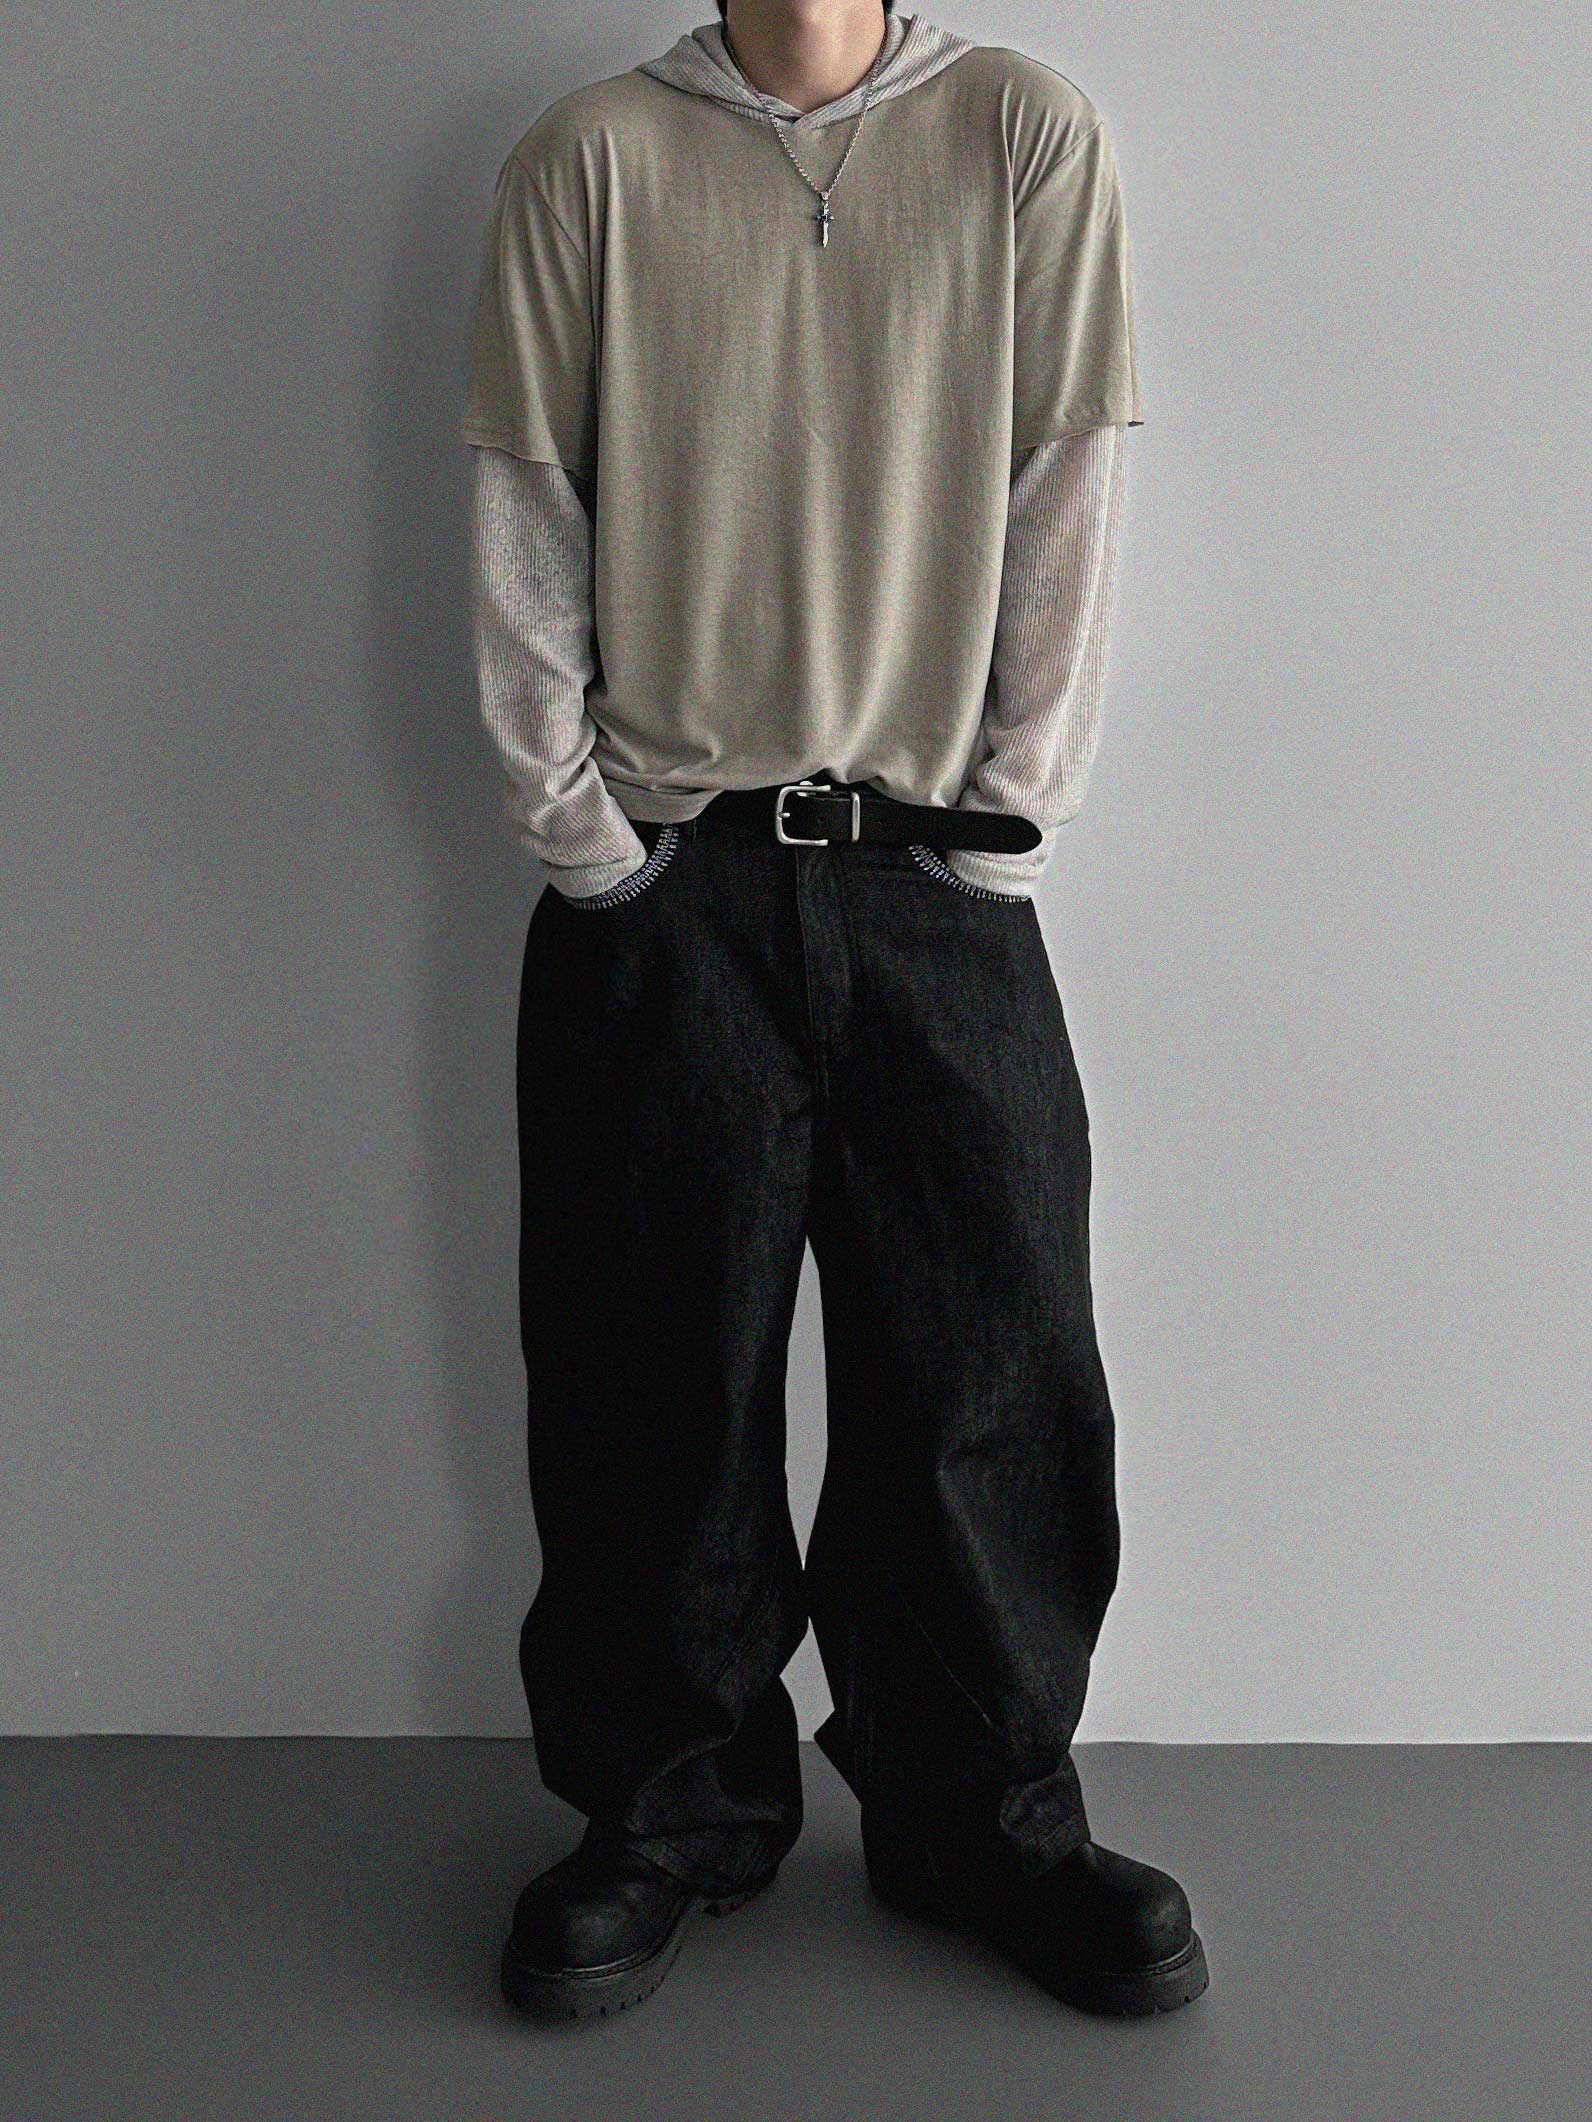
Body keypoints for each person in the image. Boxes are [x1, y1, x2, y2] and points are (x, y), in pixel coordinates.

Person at [461, 0, 1209, 2023]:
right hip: (665, 879)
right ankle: (665, 1807)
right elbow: (528, 504)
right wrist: (586, 842)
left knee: (986, 1361)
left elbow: (1068, 483)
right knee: (648, 1365)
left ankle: (985, 1812)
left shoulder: (1024, 137)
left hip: (936, 875)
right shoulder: (588, 160)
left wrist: (1008, 821)